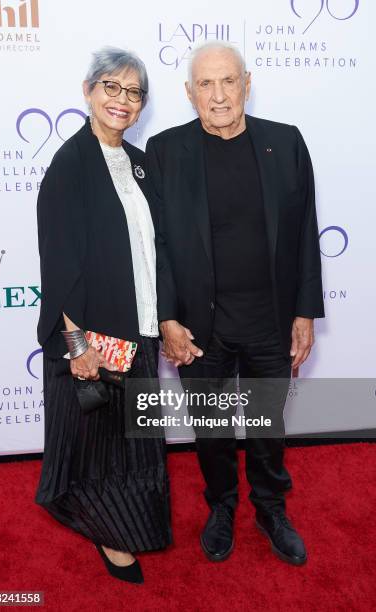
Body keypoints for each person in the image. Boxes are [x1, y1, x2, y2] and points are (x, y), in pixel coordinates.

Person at [146, 41, 324, 566]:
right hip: (201, 331)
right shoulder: (165, 151)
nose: (218, 95)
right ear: (188, 93)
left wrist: (305, 312)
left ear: (247, 83)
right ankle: (221, 506)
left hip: (271, 322)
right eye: (206, 84)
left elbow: (305, 234)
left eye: (228, 81)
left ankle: (270, 508)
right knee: (213, 431)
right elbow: (153, 243)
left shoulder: (285, 143)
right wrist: (167, 317)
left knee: (269, 427)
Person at [35, 46, 172, 584]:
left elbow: (153, 248)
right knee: (97, 446)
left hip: (139, 327)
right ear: (89, 91)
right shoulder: (71, 164)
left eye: (134, 92)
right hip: (93, 338)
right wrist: (77, 346)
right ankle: (108, 532)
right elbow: (60, 261)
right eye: (111, 87)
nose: (122, 100)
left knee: (134, 438)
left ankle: (127, 523)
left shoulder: (139, 162)